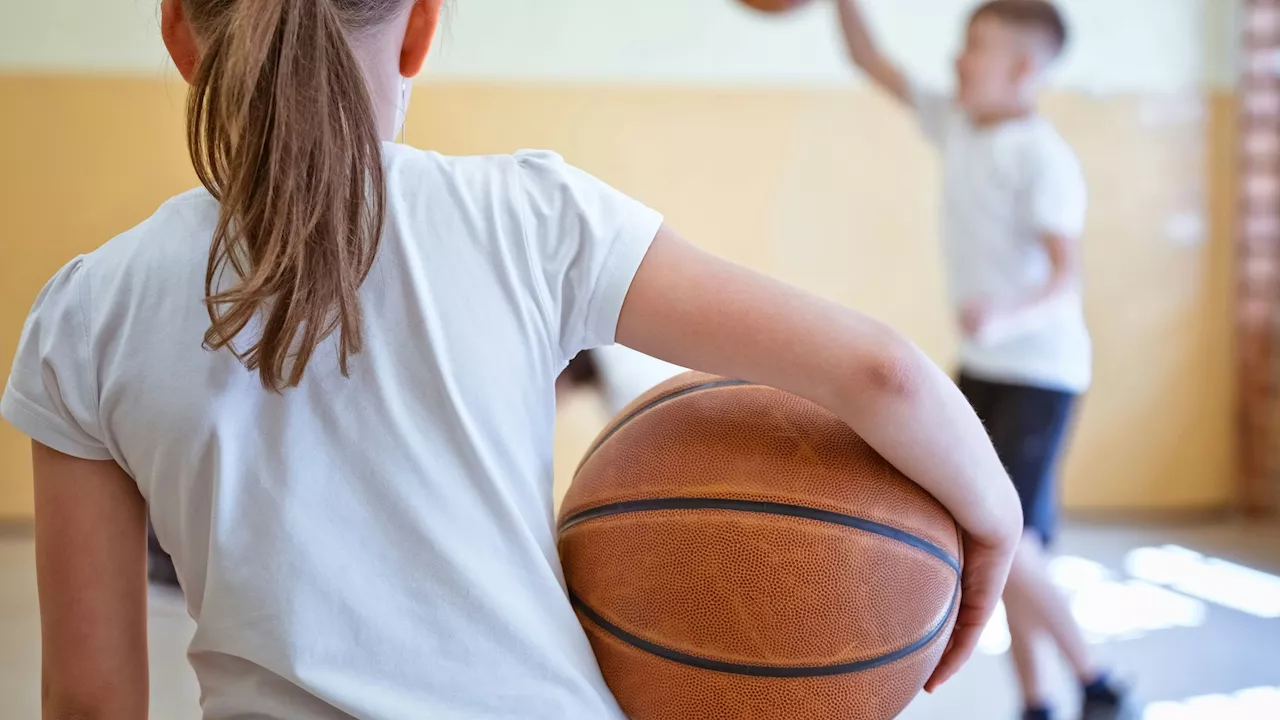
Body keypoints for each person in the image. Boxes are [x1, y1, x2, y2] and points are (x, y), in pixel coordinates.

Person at [1, 1, 1022, 717]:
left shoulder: (87, 309)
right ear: (422, 27)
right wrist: (993, 520)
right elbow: (878, 374)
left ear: (181, 34)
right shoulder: (533, 218)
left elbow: (92, 701)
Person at [833, 1, 1133, 718]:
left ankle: (1096, 682)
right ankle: (1036, 699)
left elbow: (1067, 276)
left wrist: (1008, 311)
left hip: (1041, 370)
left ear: (1023, 68)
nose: (957, 60)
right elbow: (870, 62)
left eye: (974, 48)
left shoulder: (1043, 158)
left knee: (1003, 533)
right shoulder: (959, 123)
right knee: (1008, 542)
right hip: (983, 363)